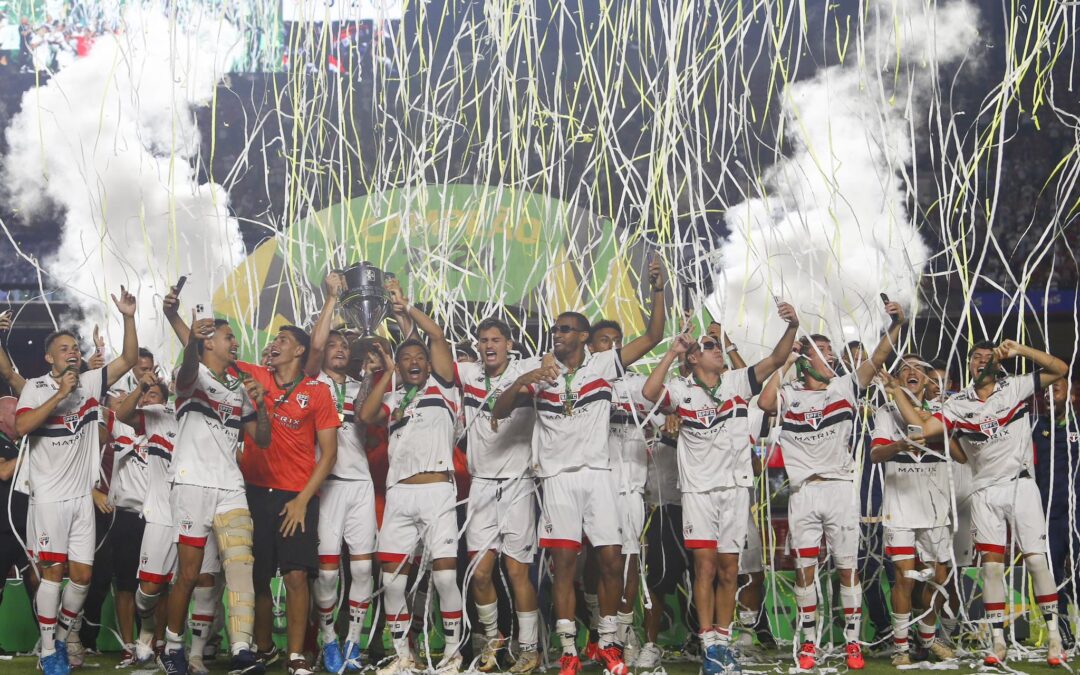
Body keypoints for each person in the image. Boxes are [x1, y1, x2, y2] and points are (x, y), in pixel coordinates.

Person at [493, 257, 668, 675]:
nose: (557, 334)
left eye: (565, 329)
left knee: (610, 559)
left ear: (584, 337)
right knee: (565, 568)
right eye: (555, 329)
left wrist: (657, 289)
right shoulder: (538, 372)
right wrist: (525, 379)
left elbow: (654, 335)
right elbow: (497, 413)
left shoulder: (604, 365)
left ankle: (607, 641)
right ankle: (569, 649)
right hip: (556, 480)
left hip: (598, 474)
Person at [642, 302, 798, 673]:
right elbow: (650, 393)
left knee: (730, 569)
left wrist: (792, 326)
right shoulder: (680, 389)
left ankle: (723, 644)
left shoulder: (736, 381)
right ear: (694, 357)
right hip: (698, 492)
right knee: (705, 568)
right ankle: (708, 642)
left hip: (734, 489)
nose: (719, 350)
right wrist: (672, 352)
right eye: (711, 345)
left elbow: (777, 358)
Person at [891, 339, 1069, 666]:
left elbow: (1060, 369)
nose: (982, 362)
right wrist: (896, 392)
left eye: (988, 357)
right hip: (984, 492)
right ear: (970, 365)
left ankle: (1055, 638)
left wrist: (1021, 352)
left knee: (1036, 562)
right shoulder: (958, 404)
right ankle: (997, 642)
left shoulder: (1014, 387)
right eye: (976, 358)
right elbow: (923, 427)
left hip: (1021, 486)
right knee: (990, 568)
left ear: (998, 364)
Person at [757, 299, 906, 670]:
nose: (831, 357)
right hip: (803, 491)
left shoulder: (844, 388)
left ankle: (852, 643)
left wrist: (896, 323)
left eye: (830, 351)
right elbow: (764, 401)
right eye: (821, 351)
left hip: (840, 489)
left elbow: (877, 358)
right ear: (805, 359)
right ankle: (809, 643)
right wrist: (788, 360)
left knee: (846, 567)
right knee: (805, 569)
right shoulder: (789, 395)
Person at [14, 287, 138, 675]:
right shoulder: (35, 387)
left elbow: (130, 359)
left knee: (81, 578)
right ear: (49, 357)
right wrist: (58, 396)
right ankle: (49, 649)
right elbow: (20, 427)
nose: (72, 351)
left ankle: (66, 636)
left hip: (81, 500)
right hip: (48, 498)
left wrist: (129, 317)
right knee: (52, 573)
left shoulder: (90, 384)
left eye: (74, 347)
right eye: (64, 348)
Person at [159, 314, 271, 675]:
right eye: (228, 337)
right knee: (189, 576)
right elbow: (188, 367)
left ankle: (241, 651)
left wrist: (262, 405)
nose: (234, 343)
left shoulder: (240, 387)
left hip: (230, 486)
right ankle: (173, 646)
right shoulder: (192, 377)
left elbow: (262, 438)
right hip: (191, 483)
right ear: (208, 343)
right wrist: (189, 339)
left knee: (241, 567)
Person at [358, 294, 465, 675]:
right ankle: (404, 656)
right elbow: (365, 415)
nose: (415, 362)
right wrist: (388, 372)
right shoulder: (393, 399)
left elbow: (436, 335)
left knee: (446, 575)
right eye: (407, 358)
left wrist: (406, 309)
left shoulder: (445, 388)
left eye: (419, 357)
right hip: (399, 493)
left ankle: (452, 655)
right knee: (390, 583)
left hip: (437, 492)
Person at [236, 325, 340, 675]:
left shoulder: (318, 391)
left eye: (283, 340)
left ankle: (296, 656)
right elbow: (215, 357)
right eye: (274, 339)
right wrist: (176, 317)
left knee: (296, 575)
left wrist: (302, 500)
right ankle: (264, 647)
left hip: (296, 495)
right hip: (253, 490)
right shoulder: (256, 375)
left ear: (299, 351)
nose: (274, 344)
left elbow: (328, 455)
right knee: (259, 575)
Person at [458, 317, 540, 674]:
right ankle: (492, 643)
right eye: (482, 339)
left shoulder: (529, 369)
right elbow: (430, 352)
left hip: (519, 484)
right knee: (480, 573)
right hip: (480, 485)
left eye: (495, 339)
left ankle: (530, 649)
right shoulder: (468, 374)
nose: (488, 345)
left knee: (517, 571)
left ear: (509, 344)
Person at [305, 272, 377, 673]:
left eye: (343, 344)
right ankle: (329, 640)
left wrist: (371, 373)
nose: (338, 349)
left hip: (360, 484)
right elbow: (314, 345)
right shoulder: (312, 381)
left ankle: (353, 644)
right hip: (327, 486)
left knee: (364, 568)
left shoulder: (357, 387)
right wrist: (331, 297)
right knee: (329, 574)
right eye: (334, 343)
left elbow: (369, 417)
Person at [870, 354, 955, 665]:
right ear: (899, 377)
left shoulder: (941, 412)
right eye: (906, 367)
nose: (912, 372)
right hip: (900, 507)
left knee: (939, 577)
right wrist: (897, 447)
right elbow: (876, 454)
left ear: (929, 379)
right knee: (904, 578)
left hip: (935, 508)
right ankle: (901, 647)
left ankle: (928, 638)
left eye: (919, 368)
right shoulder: (885, 412)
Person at [1033, 378, 1079, 650]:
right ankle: (1061, 635)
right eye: (1045, 391)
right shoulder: (1036, 427)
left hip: (1077, 512)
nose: (1049, 395)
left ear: (1072, 395)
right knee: (1048, 576)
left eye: (1056, 389)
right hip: (1048, 515)